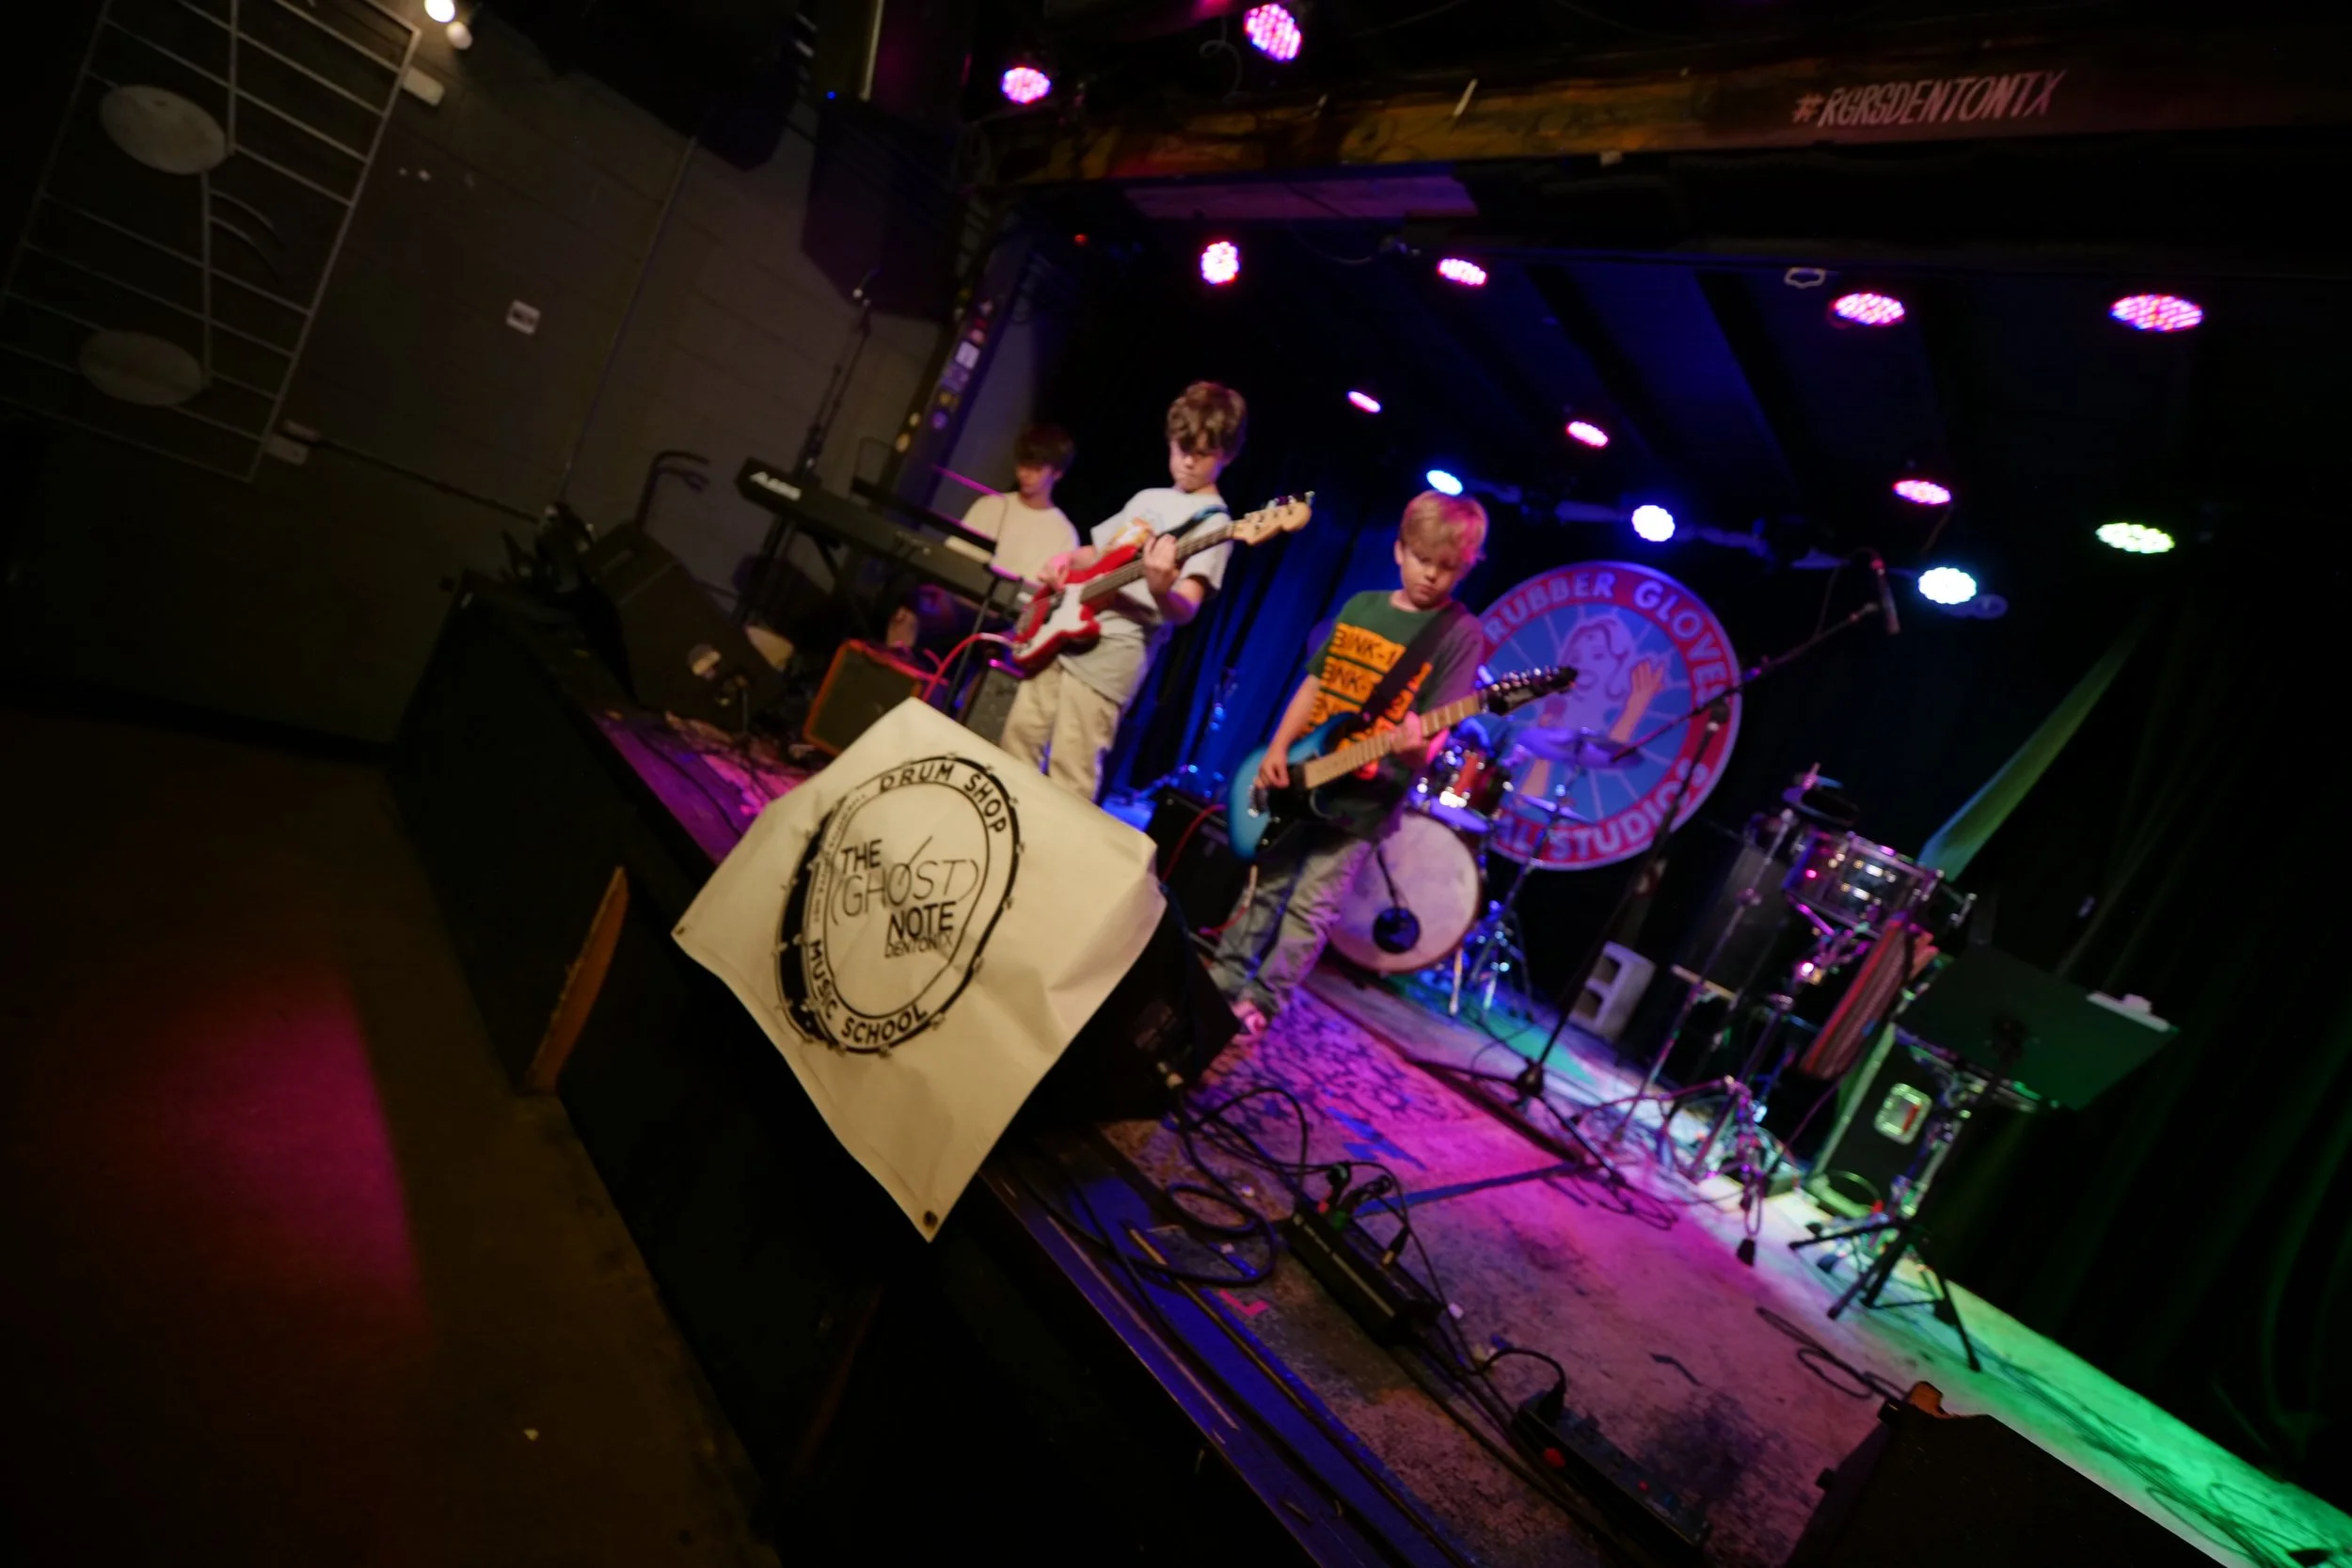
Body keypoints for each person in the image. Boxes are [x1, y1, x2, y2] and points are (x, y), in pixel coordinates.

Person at [1208, 490, 1489, 1036]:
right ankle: (1222, 980)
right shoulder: (1361, 607)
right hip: (1305, 771)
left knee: (1310, 908)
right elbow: (1315, 683)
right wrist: (1275, 749)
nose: (1431, 575)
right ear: (1399, 551)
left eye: (1447, 568)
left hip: (1365, 802)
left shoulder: (1460, 634)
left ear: (1464, 569)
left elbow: (1433, 735)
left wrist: (1414, 748)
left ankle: (1261, 1004)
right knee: (1265, 884)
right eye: (1422, 559)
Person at [1000, 382, 1248, 799]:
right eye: (1179, 448)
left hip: (1111, 658)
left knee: (1069, 775)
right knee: (1015, 743)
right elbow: (1096, 554)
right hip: (1061, 636)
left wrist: (1161, 588)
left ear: (1228, 454)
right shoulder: (1148, 498)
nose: (1186, 461)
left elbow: (1185, 606)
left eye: (1201, 453)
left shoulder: (1213, 524)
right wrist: (1064, 560)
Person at [959, 424, 1079, 586]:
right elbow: (954, 558)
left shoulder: (1064, 534)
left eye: (1035, 468)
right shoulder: (989, 505)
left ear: (1057, 473)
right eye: (1022, 464)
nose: (1023, 474)